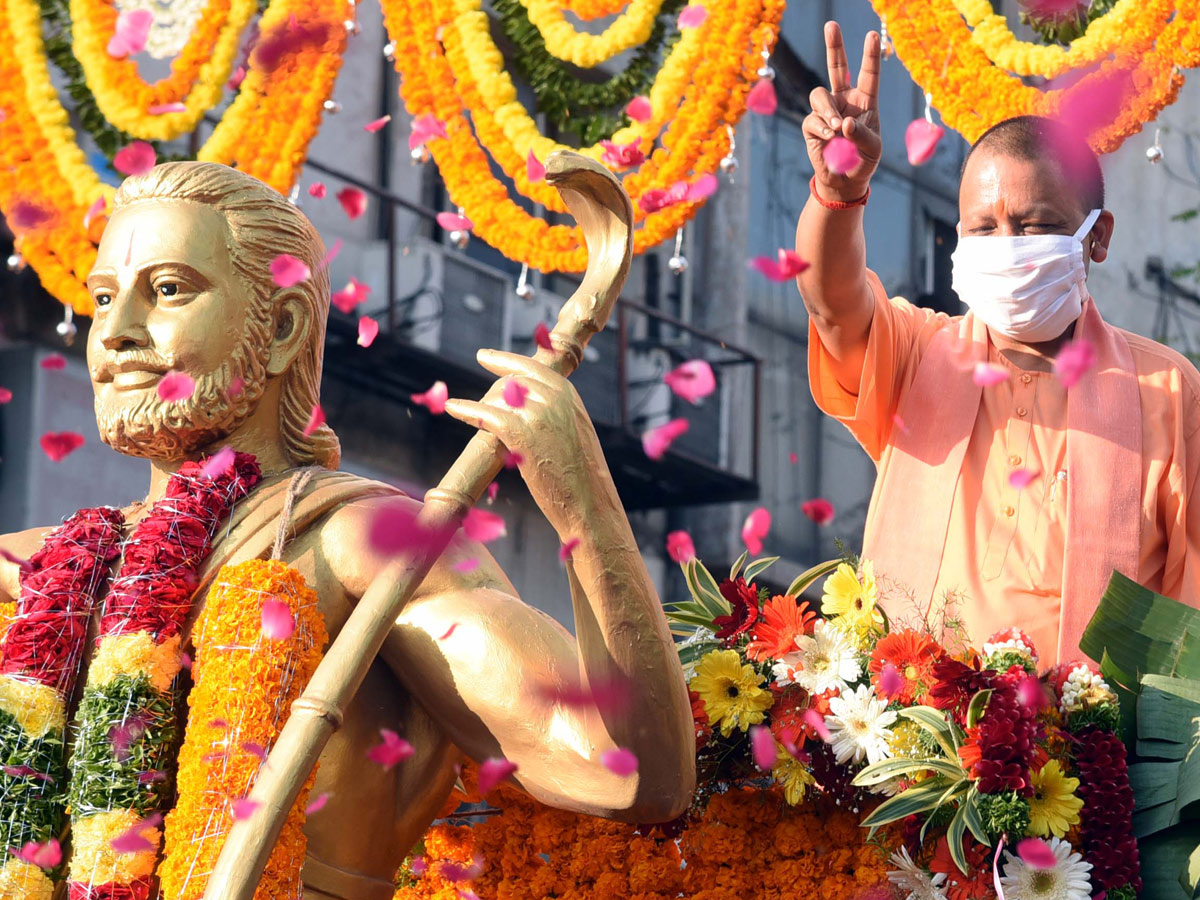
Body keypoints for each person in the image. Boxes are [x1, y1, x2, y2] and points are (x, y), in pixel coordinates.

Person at [0, 160, 695, 899]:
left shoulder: (365, 544)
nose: (115, 334)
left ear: (281, 329)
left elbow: (630, 776)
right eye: (103, 299)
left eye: (167, 290)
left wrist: (583, 503)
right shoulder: (28, 574)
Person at [797, 21, 1200, 666]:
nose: (1007, 247)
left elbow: (1191, 614)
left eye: (1036, 225)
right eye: (982, 228)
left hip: (1089, 757)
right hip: (913, 747)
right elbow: (832, 305)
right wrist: (838, 195)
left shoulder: (1168, 390)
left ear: (1098, 237)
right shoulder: (918, 353)